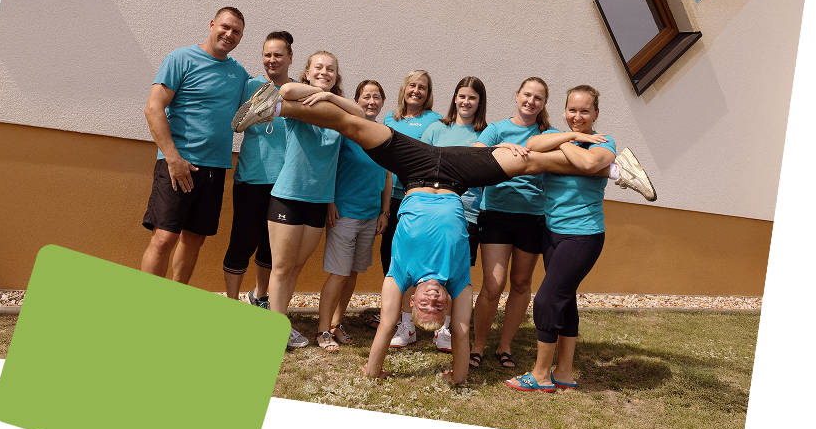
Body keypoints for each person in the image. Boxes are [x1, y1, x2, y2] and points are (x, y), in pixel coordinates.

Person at [230, 77, 656, 385]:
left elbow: (386, 326)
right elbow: (464, 332)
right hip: (457, 172)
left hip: (415, 167)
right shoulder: (456, 285)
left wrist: (371, 369)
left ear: (415, 301)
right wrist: (495, 150)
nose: (434, 301)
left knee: (354, 128)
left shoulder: (402, 279)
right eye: (439, 309)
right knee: (528, 160)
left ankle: (275, 107)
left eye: (427, 308)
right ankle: (618, 169)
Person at [505, 86, 622, 392]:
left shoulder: (604, 141)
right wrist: (573, 137)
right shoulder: (564, 136)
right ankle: (565, 373)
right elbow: (533, 142)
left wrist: (570, 140)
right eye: (572, 110)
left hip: (583, 235)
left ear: (596, 113)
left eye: (585, 111)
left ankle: (541, 374)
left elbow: (588, 164)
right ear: (564, 111)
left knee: (546, 299)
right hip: (552, 232)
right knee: (565, 300)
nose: (578, 117)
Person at [140, 8, 249, 283]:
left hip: (215, 169)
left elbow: (258, 104)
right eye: (225, 27)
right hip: (178, 163)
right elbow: (154, 109)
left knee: (194, 240)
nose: (229, 34)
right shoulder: (181, 58)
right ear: (212, 24)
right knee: (164, 238)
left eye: (236, 31)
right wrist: (173, 159)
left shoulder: (238, 73)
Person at [469, 77, 556, 371]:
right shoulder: (496, 129)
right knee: (493, 285)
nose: (531, 101)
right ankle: (478, 345)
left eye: (538, 98)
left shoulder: (548, 133)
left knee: (521, 284)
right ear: (516, 95)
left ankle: (504, 346)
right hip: (496, 214)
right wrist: (504, 146)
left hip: (533, 217)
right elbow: (475, 154)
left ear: (544, 104)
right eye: (527, 95)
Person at [266, 51, 345, 349]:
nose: (325, 72)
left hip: (318, 201)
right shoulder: (297, 103)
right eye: (319, 68)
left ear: (337, 76)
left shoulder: (338, 111)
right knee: (282, 268)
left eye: (331, 69)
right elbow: (285, 89)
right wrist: (319, 92)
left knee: (295, 268)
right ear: (308, 72)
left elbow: (360, 115)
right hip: (288, 196)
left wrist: (331, 97)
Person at [316, 80, 392, 351]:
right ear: (357, 101)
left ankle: (337, 324)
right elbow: (329, 166)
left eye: (376, 97)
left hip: (371, 216)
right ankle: (323, 330)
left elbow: (387, 174)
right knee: (338, 273)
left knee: (352, 274)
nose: (371, 102)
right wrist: (329, 202)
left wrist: (385, 211)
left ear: (383, 101)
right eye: (366, 97)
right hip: (344, 213)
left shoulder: (384, 133)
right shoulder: (346, 131)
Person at [221, 31, 295, 309]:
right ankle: (231, 303)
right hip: (251, 178)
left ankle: (260, 297)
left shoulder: (298, 91)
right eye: (267, 54)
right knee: (242, 241)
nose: (272, 60)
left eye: (278, 54)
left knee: (271, 246)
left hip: (286, 183)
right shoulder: (249, 85)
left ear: (290, 57)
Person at [421, 76, 489, 353]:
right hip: (432, 214)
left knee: (456, 276)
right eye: (462, 96)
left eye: (472, 97)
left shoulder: (485, 134)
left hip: (467, 216)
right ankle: (414, 321)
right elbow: (422, 167)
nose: (466, 102)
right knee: (426, 272)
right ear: (454, 98)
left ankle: (447, 328)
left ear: (480, 102)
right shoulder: (437, 129)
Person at [382, 70, 442, 346]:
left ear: (428, 94)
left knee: (414, 262)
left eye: (422, 87)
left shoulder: (435, 121)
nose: (416, 91)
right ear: (403, 89)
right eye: (412, 86)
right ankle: (399, 320)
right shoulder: (389, 119)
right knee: (390, 260)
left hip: (417, 202)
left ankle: (412, 323)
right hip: (389, 199)